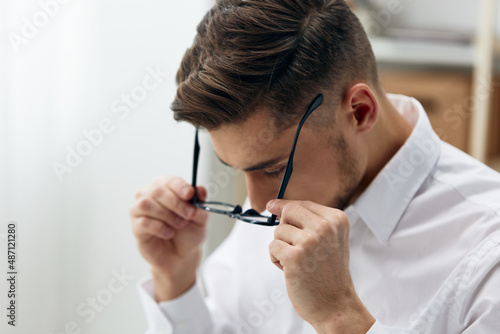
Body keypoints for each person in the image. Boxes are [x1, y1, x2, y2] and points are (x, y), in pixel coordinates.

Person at [129, 0, 500, 333]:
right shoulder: (276, 207)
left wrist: (341, 319)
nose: (256, 204)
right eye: (239, 169)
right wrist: (175, 279)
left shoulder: (487, 252)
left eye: (273, 169)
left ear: (360, 111)